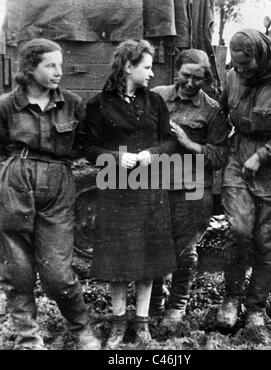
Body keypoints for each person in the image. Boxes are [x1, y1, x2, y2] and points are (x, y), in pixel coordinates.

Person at [0, 38, 100, 350]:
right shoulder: (6, 105)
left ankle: (82, 328)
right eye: (51, 65)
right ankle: (29, 339)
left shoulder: (72, 104)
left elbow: (86, 145)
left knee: (57, 273)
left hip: (58, 185)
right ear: (30, 68)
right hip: (16, 183)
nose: (59, 72)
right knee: (17, 272)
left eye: (61, 65)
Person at [83, 39, 177, 349]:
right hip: (116, 190)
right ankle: (118, 324)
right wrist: (112, 157)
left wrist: (153, 152)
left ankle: (142, 325)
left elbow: (169, 142)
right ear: (128, 67)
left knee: (148, 260)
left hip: (149, 189)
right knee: (118, 263)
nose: (151, 74)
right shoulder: (98, 105)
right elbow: (88, 147)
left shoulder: (156, 104)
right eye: (147, 67)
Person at [216, 29, 271, 329]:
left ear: (261, 57)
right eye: (236, 65)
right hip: (239, 161)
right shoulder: (232, 78)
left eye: (245, 65)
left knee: (265, 241)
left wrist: (263, 156)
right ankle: (230, 298)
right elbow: (220, 113)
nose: (240, 71)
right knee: (239, 231)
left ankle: (254, 308)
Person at [149, 49, 229, 326]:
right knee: (154, 247)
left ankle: (177, 305)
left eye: (198, 77)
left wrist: (188, 142)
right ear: (176, 71)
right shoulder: (156, 96)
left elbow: (219, 156)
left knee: (184, 252)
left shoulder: (212, 109)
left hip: (192, 188)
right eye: (186, 75)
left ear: (206, 77)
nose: (191, 83)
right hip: (154, 183)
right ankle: (154, 304)